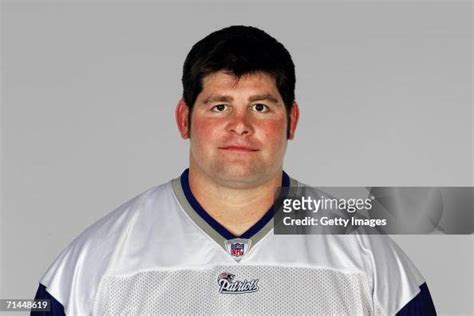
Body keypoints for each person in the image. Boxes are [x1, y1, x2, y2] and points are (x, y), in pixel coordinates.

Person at [33, 25, 436, 315]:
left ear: (291, 120)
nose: (240, 124)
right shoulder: (100, 259)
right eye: (219, 105)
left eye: (260, 106)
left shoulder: (362, 252)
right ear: (184, 118)